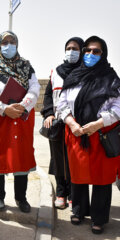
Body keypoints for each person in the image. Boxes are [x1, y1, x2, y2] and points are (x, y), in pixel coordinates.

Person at [57, 36, 120, 234]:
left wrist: (99, 123)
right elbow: (62, 103)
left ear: (103, 54)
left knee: (101, 178)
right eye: (88, 50)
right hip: (77, 132)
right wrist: (71, 122)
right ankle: (78, 210)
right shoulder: (74, 76)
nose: (90, 54)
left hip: (101, 134)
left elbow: (118, 107)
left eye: (96, 51)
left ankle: (99, 218)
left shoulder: (110, 78)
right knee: (78, 174)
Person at [0, 31, 40, 213]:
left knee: (20, 157)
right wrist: (4, 108)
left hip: (21, 118)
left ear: (17, 43)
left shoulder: (27, 67)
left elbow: (35, 88)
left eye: (12, 41)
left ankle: (21, 198)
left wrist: (22, 106)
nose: (8, 45)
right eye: (5, 42)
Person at [41, 37, 84, 209]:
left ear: (81, 51)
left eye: (75, 48)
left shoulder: (84, 72)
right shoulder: (56, 72)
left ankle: (74, 194)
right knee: (58, 159)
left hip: (77, 124)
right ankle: (60, 193)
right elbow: (48, 95)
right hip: (58, 124)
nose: (71, 51)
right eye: (68, 48)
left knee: (75, 160)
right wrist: (49, 113)